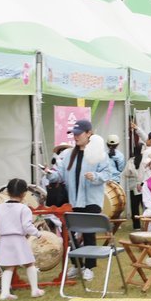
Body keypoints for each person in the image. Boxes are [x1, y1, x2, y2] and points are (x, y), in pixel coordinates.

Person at [43, 120, 116, 281]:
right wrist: (49, 173)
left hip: (91, 200)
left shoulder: (98, 153)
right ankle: (77, 264)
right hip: (73, 200)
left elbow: (107, 174)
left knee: (89, 234)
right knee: (70, 233)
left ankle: (89, 267)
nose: (75, 137)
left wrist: (95, 176)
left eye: (78, 133)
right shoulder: (69, 154)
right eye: (74, 134)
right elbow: (60, 175)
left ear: (89, 133)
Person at [0, 178, 45, 300]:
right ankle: (35, 290)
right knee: (29, 264)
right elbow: (27, 226)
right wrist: (38, 234)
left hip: (4, 240)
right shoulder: (24, 209)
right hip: (18, 240)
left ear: (8, 192)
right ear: (24, 193)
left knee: (9, 266)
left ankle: (5, 292)